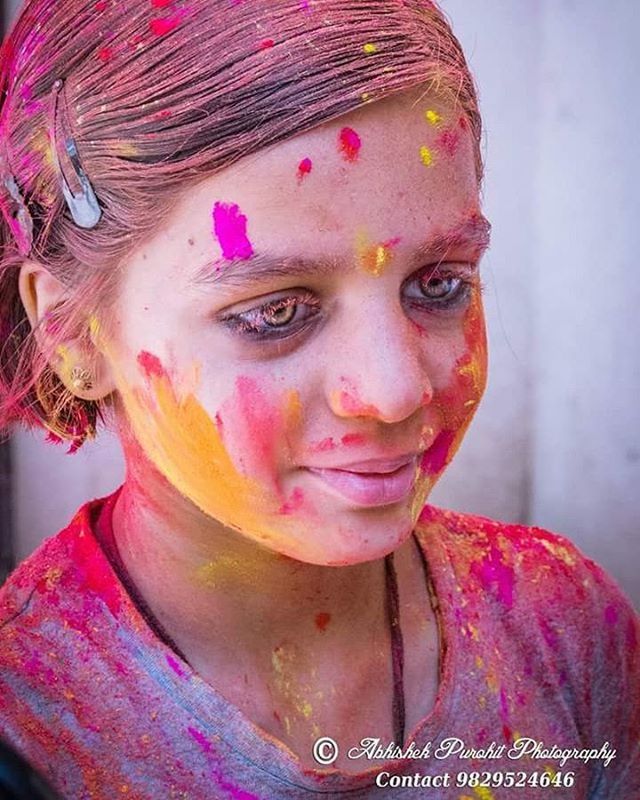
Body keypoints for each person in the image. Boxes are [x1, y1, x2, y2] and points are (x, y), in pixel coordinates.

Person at [0, 1, 637, 798]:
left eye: (439, 286)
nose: (395, 388)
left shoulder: (562, 626)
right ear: (73, 332)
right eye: (274, 313)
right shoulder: (27, 729)